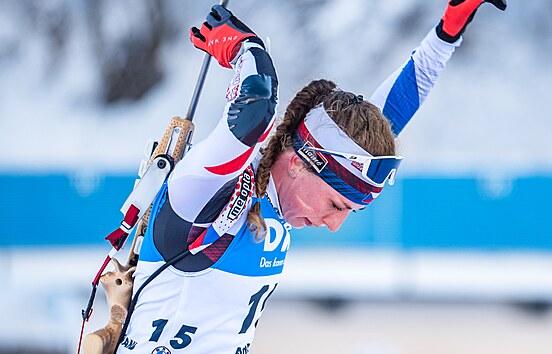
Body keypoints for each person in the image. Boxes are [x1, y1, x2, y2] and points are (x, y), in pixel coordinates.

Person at [116, 1, 506, 353]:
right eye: (337, 204)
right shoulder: (208, 192)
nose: (334, 225)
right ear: (301, 162)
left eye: (347, 211)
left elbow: (390, 114)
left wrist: (447, 33)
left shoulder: (280, 202)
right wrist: (246, 47)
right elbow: (255, 109)